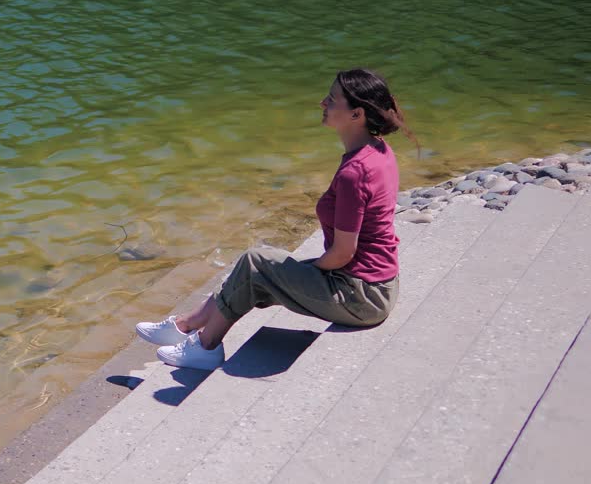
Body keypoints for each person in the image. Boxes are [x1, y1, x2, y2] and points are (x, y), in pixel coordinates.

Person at [135, 68, 416, 370]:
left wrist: (304, 272)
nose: (322, 103)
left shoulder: (355, 172)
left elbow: (344, 252)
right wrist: (294, 273)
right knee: (256, 270)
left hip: (361, 296)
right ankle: (185, 325)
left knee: (258, 262)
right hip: (374, 285)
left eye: (332, 99)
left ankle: (205, 347)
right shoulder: (378, 151)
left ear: (356, 114)